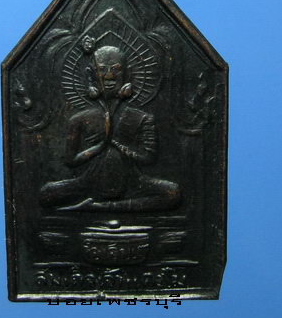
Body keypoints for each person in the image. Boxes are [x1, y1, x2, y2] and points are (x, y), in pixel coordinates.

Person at [40, 45, 180, 212]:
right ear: (92, 75)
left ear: (127, 74)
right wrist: (100, 146)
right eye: (102, 70)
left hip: (132, 182)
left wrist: (118, 145)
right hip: (88, 182)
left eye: (115, 69)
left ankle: (97, 208)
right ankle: (109, 207)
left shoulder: (141, 117)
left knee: (173, 193)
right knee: (46, 194)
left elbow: (148, 158)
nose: (108, 76)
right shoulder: (79, 119)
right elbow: (70, 161)